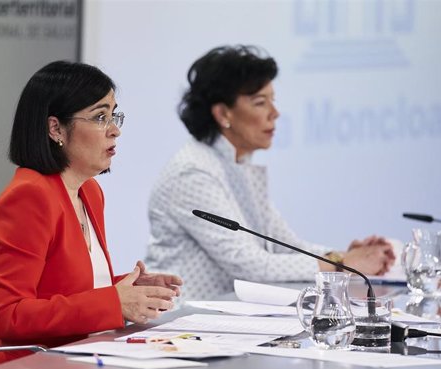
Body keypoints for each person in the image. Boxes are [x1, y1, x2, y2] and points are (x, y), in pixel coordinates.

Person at [0, 61, 183, 369]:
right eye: (99, 117)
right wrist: (114, 302)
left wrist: (127, 288)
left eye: (113, 115)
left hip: (73, 361)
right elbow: (6, 316)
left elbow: (64, 290)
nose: (115, 129)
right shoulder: (29, 198)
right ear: (55, 129)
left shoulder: (89, 192)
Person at [145, 46, 394, 300]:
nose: (274, 113)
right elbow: (249, 265)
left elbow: (283, 244)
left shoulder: (236, 164)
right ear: (223, 114)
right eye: (260, 103)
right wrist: (342, 264)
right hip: (177, 325)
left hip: (220, 320)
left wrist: (341, 256)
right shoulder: (193, 173)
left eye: (272, 101)